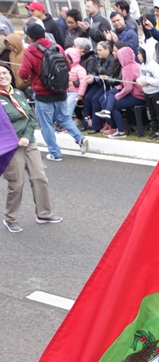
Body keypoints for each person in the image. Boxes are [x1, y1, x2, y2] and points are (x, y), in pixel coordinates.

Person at [0, 63, 63, 233]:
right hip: (11, 147)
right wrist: (16, 139)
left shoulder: (18, 93)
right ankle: (10, 218)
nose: (3, 76)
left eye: (5, 72)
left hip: (29, 143)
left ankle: (44, 213)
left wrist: (27, 137)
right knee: (17, 183)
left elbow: (31, 117)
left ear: (11, 75)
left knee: (40, 177)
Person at [18, 24, 88, 161]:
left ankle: (55, 153)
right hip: (61, 89)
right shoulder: (56, 46)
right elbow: (67, 66)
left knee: (46, 123)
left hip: (43, 92)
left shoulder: (30, 51)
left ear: (30, 37)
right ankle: (80, 138)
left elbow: (23, 73)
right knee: (64, 117)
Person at [96, 45, 144, 138]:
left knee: (114, 104)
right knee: (113, 94)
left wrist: (118, 96)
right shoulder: (137, 65)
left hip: (137, 96)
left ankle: (120, 131)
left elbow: (128, 88)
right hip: (141, 94)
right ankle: (107, 112)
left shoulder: (126, 69)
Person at [136, 46, 159, 141]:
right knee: (152, 113)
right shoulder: (142, 65)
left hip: (156, 93)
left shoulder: (154, 66)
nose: (138, 56)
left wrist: (147, 81)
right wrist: (139, 80)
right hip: (147, 93)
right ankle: (155, 130)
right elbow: (141, 76)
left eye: (139, 54)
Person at [64, 47, 88, 121]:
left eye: (68, 58)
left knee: (68, 107)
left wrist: (80, 94)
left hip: (75, 93)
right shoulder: (65, 67)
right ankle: (62, 123)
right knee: (63, 107)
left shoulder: (80, 69)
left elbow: (83, 82)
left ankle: (66, 124)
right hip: (65, 91)